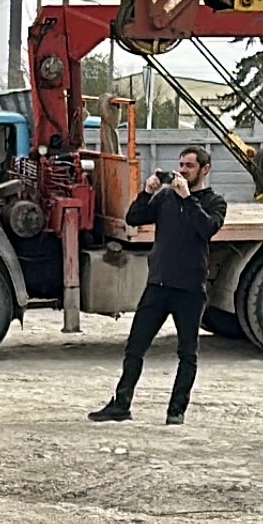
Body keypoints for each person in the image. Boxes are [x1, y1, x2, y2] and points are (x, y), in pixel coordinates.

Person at [91, 146, 223, 424]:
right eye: (181, 165)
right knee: (135, 347)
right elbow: (134, 218)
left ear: (205, 169)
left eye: (189, 166)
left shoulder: (214, 202)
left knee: (187, 353)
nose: (183, 170)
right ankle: (121, 405)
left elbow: (207, 229)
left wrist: (187, 198)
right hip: (158, 285)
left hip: (189, 289)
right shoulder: (165, 198)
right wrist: (147, 192)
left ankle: (176, 412)